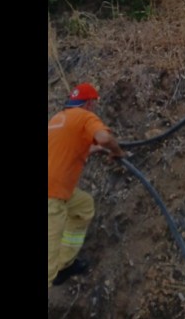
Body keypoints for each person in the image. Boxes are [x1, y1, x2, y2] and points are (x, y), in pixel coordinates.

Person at [48, 82, 124, 288]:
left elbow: (68, 149)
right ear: (89, 103)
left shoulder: (57, 119)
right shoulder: (84, 116)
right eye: (94, 104)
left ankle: (64, 265)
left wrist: (95, 149)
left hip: (57, 190)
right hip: (51, 197)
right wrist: (116, 152)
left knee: (83, 206)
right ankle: (55, 270)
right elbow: (104, 137)